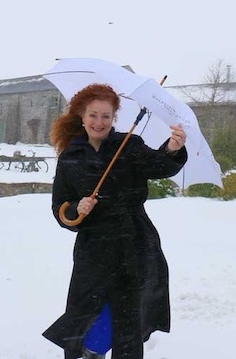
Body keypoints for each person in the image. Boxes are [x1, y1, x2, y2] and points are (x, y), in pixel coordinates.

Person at [42, 83, 187, 359]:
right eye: (93, 115)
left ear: (114, 118)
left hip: (134, 243)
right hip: (93, 249)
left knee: (127, 317)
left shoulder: (128, 146)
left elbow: (159, 165)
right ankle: (90, 351)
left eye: (106, 116)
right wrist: (77, 208)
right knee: (88, 309)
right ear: (82, 117)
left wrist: (171, 148)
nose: (99, 122)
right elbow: (59, 208)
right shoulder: (70, 157)